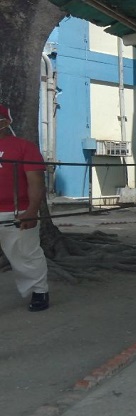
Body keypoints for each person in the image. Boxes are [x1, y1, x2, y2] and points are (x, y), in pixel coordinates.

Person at [0, 104, 50, 312]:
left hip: (16, 211)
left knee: (26, 254)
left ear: (6, 122)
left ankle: (39, 291)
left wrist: (31, 211)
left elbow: (36, 181)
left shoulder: (24, 147)